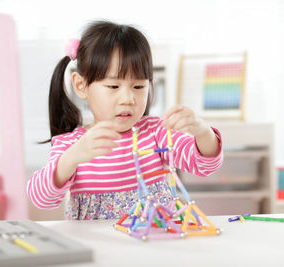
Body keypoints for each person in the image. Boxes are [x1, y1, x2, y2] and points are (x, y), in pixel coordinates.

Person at [27, 21, 223, 220]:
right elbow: (41, 199)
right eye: (113, 86)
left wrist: (202, 132)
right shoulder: (72, 145)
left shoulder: (156, 132)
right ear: (81, 85)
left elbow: (205, 166)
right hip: (99, 248)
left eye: (138, 87)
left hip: (153, 242)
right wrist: (73, 157)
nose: (128, 99)